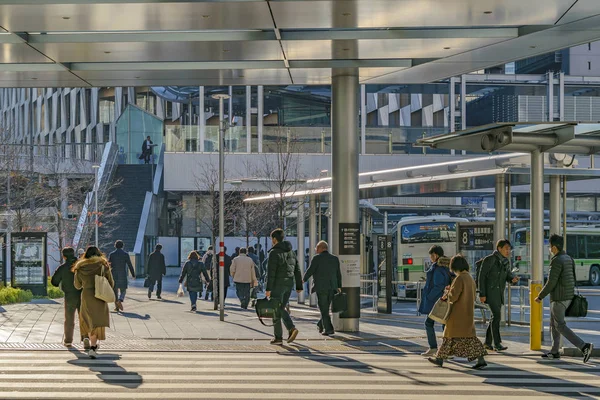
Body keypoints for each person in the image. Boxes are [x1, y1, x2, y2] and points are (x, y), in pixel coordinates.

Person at [535, 234, 594, 362]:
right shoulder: (568, 258)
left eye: (550, 247)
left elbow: (551, 282)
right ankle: (554, 351)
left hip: (558, 299)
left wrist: (540, 296)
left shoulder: (556, 261)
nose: (549, 249)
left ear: (555, 248)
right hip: (567, 297)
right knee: (554, 324)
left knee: (560, 326)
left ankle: (584, 346)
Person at [428, 255, 487, 370]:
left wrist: (447, 292)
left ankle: (439, 359)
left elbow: (453, 296)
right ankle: (480, 358)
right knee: (469, 337)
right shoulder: (469, 278)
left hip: (457, 313)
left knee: (448, 336)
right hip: (467, 312)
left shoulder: (459, 279)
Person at [73, 246, 115, 359]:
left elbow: (77, 286)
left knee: (86, 319)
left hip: (86, 296)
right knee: (97, 321)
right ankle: (93, 347)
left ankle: (86, 337)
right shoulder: (103, 266)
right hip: (99, 296)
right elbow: (111, 283)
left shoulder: (80, 267)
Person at [478, 239, 519, 351]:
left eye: (509, 249)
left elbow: (507, 275)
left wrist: (512, 279)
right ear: (499, 248)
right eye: (506, 248)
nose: (508, 251)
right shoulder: (489, 260)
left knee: (494, 317)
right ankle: (497, 343)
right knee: (496, 316)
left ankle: (487, 343)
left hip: (499, 293)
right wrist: (482, 293)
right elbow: (481, 277)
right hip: (490, 292)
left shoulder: (505, 262)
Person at [265, 228, 303, 345]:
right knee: (278, 309)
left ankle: (290, 328)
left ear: (275, 239)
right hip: (289, 284)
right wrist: (299, 285)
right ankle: (278, 337)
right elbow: (297, 269)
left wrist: (268, 289)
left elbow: (271, 272)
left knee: (277, 308)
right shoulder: (291, 251)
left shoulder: (274, 252)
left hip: (278, 284)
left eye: (272, 239)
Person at [303, 241, 342, 336]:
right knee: (325, 308)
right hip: (332, 287)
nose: (315, 249)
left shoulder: (317, 258)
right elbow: (338, 274)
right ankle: (320, 324)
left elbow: (310, 270)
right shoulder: (335, 258)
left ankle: (329, 329)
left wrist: (303, 279)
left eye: (316, 247)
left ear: (321, 248)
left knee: (323, 309)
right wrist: (339, 286)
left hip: (321, 287)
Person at [419, 245, 452, 356]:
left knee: (429, 323)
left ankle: (434, 347)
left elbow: (438, 286)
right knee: (444, 324)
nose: (431, 258)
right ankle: (446, 350)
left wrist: (429, 297)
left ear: (436, 255)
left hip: (436, 301)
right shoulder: (446, 267)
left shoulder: (438, 268)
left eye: (431, 255)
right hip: (443, 299)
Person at [51, 247, 83, 348]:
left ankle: (68, 340)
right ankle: (85, 337)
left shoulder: (62, 267)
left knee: (69, 318)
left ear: (64, 256)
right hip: (83, 294)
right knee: (84, 317)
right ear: (74, 254)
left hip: (69, 295)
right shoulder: (81, 265)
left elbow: (54, 282)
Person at [108, 240, 136, 313]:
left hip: (114, 274)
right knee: (123, 290)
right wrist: (133, 274)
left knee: (115, 291)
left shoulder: (112, 254)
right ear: (122, 246)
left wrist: (107, 275)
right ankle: (120, 300)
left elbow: (108, 265)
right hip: (122, 274)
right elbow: (130, 265)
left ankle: (116, 307)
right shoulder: (125, 254)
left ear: (115, 245)